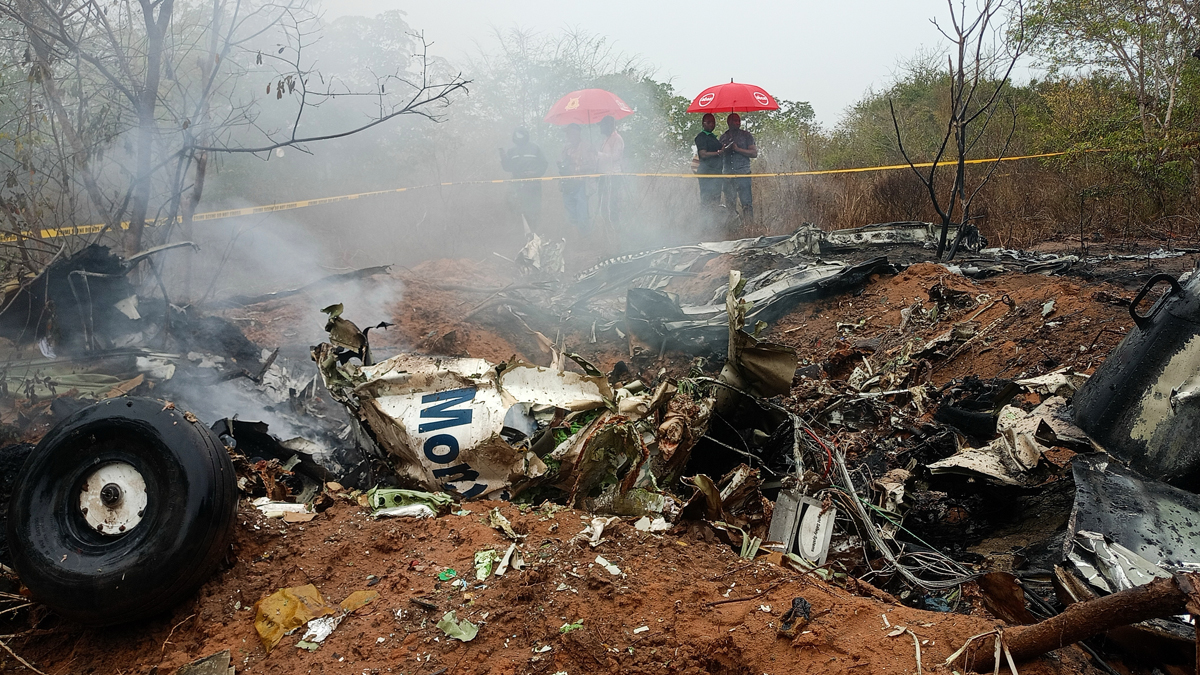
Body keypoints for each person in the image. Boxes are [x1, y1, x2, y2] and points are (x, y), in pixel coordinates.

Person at [499, 127, 548, 230]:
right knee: (514, 207)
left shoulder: (535, 148)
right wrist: (503, 159)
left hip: (533, 184)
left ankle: (534, 232)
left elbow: (544, 164)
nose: (519, 137)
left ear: (526, 135)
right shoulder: (512, 151)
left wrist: (535, 173)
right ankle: (520, 231)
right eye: (517, 135)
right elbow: (508, 168)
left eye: (521, 134)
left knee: (533, 209)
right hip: (516, 185)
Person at [719, 112, 758, 223]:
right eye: (734, 121)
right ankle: (733, 227)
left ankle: (749, 228)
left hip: (743, 174)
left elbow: (754, 153)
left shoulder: (746, 135)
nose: (737, 123)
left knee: (747, 204)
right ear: (728, 122)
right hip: (728, 175)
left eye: (738, 121)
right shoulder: (723, 137)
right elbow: (719, 155)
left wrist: (737, 149)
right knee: (730, 205)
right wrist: (724, 150)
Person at [557, 123, 595, 230]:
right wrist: (562, 166)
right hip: (568, 184)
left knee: (582, 212)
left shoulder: (587, 147)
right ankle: (575, 233)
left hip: (581, 183)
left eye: (569, 133)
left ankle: (585, 235)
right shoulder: (566, 148)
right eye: (567, 133)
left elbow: (592, 165)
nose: (567, 136)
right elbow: (563, 164)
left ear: (576, 133)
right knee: (570, 212)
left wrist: (575, 169)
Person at [596, 115, 625, 227]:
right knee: (603, 203)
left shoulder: (617, 139)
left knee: (613, 203)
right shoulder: (605, 139)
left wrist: (599, 154)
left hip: (613, 175)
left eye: (602, 125)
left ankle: (616, 227)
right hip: (604, 175)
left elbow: (616, 157)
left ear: (609, 126)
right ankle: (606, 227)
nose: (600, 128)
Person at [694, 113, 724, 207]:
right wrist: (718, 153)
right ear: (703, 123)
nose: (712, 124)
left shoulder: (712, 137)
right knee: (707, 199)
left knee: (716, 200)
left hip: (716, 172)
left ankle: (714, 216)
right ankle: (705, 216)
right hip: (707, 172)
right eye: (709, 122)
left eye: (713, 122)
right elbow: (703, 154)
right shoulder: (701, 137)